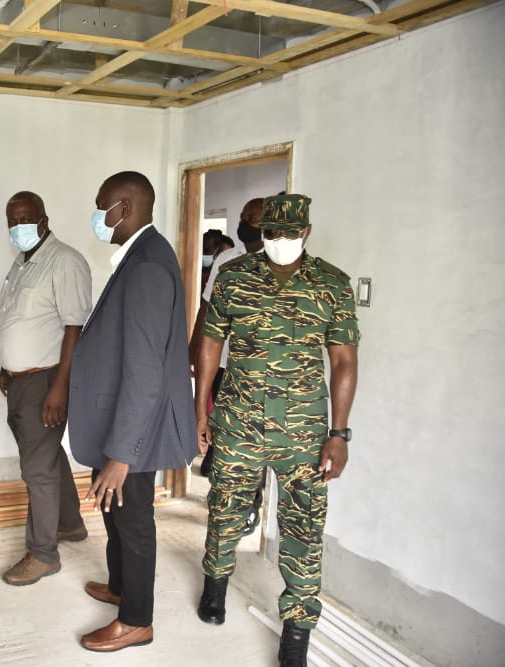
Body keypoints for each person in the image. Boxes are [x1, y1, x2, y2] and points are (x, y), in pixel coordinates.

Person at [193, 195, 359, 667]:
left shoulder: (331, 284)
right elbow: (211, 340)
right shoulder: (233, 277)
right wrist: (200, 407)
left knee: (305, 527)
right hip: (238, 418)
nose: (279, 242)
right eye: (271, 233)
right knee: (225, 506)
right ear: (260, 232)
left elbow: (344, 361)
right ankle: (215, 584)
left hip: (304, 429)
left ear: (306, 231)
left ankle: (298, 630)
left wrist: (339, 434)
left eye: (289, 233)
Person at [68, 171, 198, 652]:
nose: (97, 215)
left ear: (124, 209)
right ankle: (121, 586)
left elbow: (145, 371)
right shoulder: (144, 255)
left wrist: (122, 454)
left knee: (134, 521)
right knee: (115, 511)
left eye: (101, 206)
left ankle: (137, 620)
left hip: (135, 430)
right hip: (120, 420)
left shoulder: (146, 265)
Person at [0, 191, 92, 586]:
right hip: (21, 380)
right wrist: (6, 365)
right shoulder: (23, 263)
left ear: (44, 220)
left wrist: (59, 389)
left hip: (46, 381)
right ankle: (68, 524)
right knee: (46, 457)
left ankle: (43, 554)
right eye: (12, 221)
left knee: (37, 469)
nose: (18, 227)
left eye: (25, 218)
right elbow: (17, 320)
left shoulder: (64, 261)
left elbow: (74, 328)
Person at [192, 198, 267, 535]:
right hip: (223, 366)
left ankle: (251, 504)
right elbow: (205, 308)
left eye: (251, 217)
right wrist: (191, 350)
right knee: (222, 435)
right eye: (242, 216)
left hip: (262, 375)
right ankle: (222, 496)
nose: (244, 222)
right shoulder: (226, 259)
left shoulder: (278, 266)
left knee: (257, 445)